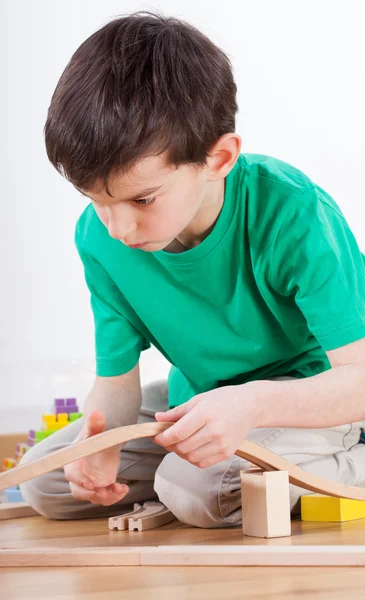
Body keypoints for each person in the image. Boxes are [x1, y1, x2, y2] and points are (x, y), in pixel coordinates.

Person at [19, 11, 365, 527]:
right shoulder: (100, 237)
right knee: (45, 480)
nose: (118, 227)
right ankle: (195, 473)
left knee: (197, 489)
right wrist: (98, 445)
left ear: (218, 158)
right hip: (204, 400)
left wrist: (253, 404)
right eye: (97, 201)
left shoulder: (292, 212)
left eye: (142, 199)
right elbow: (116, 384)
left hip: (315, 402)